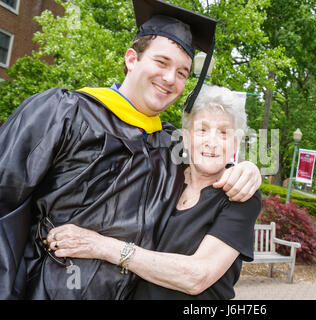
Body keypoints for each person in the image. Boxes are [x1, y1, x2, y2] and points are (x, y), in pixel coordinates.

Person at [0, 0, 261, 300]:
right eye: (162, 63)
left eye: (182, 73)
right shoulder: (62, 113)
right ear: (131, 59)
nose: (170, 79)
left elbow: (211, 158)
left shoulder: (169, 144)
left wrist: (249, 170)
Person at [46, 85, 261, 300]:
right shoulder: (165, 173)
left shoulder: (238, 195)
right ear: (185, 138)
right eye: (202, 130)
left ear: (235, 142)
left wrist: (100, 246)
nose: (212, 142)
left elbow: (197, 276)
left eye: (224, 133)